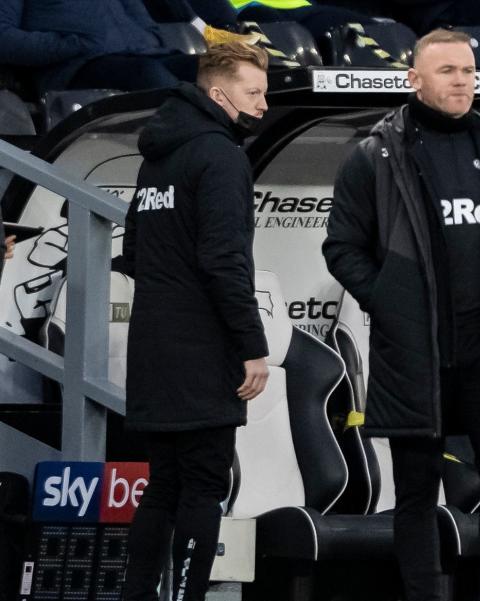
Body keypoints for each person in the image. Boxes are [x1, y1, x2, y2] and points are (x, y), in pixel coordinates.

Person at [322, 29, 480, 601]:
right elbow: (341, 247)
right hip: (415, 350)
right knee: (417, 485)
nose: (462, 80)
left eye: (469, 70)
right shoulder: (375, 154)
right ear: (413, 80)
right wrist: (390, 300)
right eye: (447, 71)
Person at [121, 42, 270, 601]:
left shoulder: (155, 156)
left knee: (161, 488)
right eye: (253, 93)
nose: (261, 106)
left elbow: (132, 251)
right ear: (217, 93)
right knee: (202, 491)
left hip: (154, 349)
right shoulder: (221, 156)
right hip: (205, 351)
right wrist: (251, 345)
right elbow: (223, 261)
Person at [0, 0, 198, 93]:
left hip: (141, 53)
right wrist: (70, 45)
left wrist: (150, 36)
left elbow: (138, 12)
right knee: (146, 73)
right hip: (72, 67)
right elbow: (4, 38)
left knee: (206, 66)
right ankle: (204, 146)